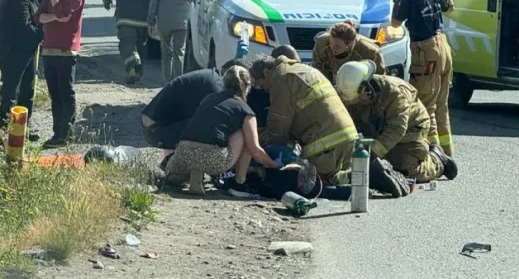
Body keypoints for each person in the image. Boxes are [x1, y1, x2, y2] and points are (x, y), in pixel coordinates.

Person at [164, 65, 280, 195]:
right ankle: (239, 183)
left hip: (182, 154)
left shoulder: (208, 99)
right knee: (244, 135)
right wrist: (273, 165)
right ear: (247, 86)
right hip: (213, 159)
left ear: (224, 82)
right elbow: (255, 149)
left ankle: (188, 174)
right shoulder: (245, 111)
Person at [336, 60, 458, 182]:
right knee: (377, 165)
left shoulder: (396, 93)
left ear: (367, 89)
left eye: (358, 99)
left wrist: (371, 154)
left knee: (402, 171)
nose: (357, 102)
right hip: (380, 129)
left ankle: (436, 160)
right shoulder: (353, 91)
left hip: (410, 130)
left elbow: (397, 129)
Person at [250, 54, 358, 185]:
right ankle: (364, 177)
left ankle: (368, 176)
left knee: (312, 183)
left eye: (262, 85)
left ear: (266, 73)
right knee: (343, 182)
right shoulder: (302, 69)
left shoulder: (280, 79)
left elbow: (279, 120)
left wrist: (273, 151)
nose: (265, 89)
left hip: (326, 143)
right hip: (347, 134)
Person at [391, 0, 455, 156]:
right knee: (441, 105)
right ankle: (447, 154)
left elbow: (394, 23)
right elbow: (450, 7)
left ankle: (434, 157)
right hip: (443, 47)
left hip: (426, 52)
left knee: (425, 106)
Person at [36, 0, 85, 147]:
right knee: (54, 95)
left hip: (66, 48)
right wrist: (56, 15)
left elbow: (64, 15)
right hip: (49, 47)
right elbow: (39, 15)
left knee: (66, 93)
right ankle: (57, 133)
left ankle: (67, 134)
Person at [141, 60, 245, 151]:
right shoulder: (215, 87)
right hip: (156, 130)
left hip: (155, 125)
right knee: (213, 130)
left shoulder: (211, 76)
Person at [0, 0, 43, 134]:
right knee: (12, 90)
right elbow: (25, 27)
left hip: (26, 51)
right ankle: (6, 129)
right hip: (14, 52)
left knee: (26, 90)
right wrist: (41, 34)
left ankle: (22, 128)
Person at [102, 0, 157, 84]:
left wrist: (107, 1)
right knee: (141, 45)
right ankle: (138, 72)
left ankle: (132, 68)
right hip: (144, 20)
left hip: (125, 18)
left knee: (126, 43)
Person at [147, 0, 195, 83]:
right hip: (181, 22)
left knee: (166, 53)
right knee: (179, 52)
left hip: (164, 22)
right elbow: (192, 1)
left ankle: (167, 82)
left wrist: (151, 21)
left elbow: (154, 2)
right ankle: (178, 81)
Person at [313, 21, 386, 83]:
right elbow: (317, 68)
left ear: (349, 44)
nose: (333, 48)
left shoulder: (370, 52)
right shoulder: (322, 43)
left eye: (338, 46)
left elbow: (379, 79)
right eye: (331, 43)